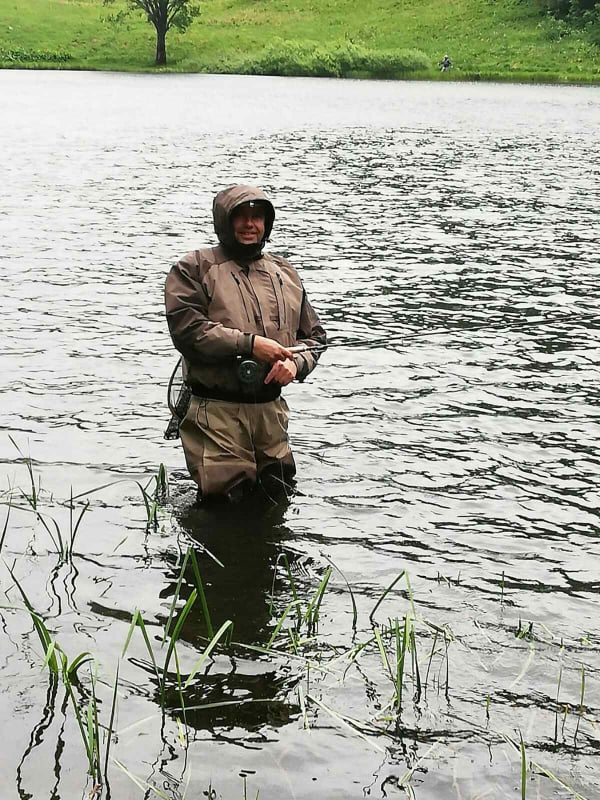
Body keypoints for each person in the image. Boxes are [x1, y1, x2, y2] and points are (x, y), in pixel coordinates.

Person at [165, 184, 326, 504]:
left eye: (257, 217)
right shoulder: (193, 268)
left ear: (267, 223)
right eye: (240, 216)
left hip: (271, 414)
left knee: (277, 493)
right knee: (225, 503)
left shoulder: (286, 273)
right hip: (216, 412)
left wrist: (295, 364)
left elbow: (315, 339)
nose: (249, 224)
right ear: (224, 221)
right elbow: (188, 332)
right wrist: (250, 345)